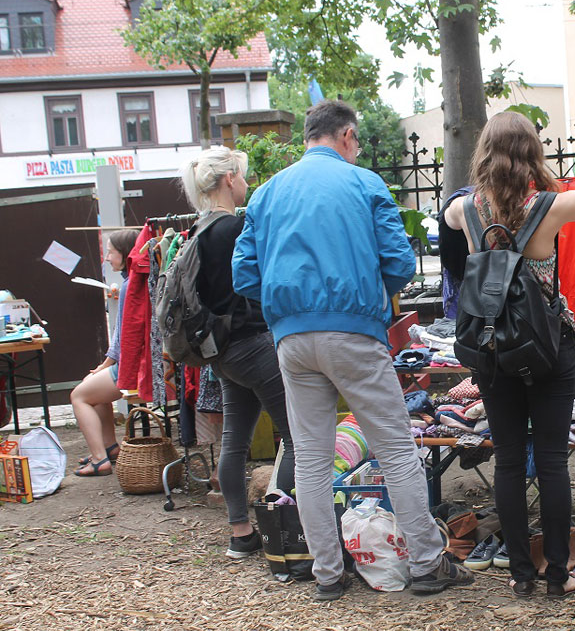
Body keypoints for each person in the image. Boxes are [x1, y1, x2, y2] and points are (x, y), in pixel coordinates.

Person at [232, 99, 473, 601]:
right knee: (395, 449)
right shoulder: (364, 184)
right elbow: (400, 263)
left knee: (313, 458)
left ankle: (326, 573)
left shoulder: (266, 193)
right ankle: (428, 564)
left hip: (292, 339)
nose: (357, 149)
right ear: (345, 136)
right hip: (354, 330)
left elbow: (245, 275)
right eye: (357, 141)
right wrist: (367, 297)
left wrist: (290, 305)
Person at [444, 111, 575, 598]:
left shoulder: (469, 210)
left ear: (485, 153)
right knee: (550, 463)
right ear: (532, 154)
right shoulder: (551, 207)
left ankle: (519, 575)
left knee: (507, 461)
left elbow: (445, 213)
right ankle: (557, 576)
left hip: (492, 351)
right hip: (546, 351)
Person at [179, 147, 297, 560]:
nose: (246, 182)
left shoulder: (200, 229)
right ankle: (288, 528)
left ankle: (240, 533)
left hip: (223, 352)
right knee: (299, 435)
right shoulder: (232, 228)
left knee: (234, 443)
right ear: (229, 178)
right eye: (243, 176)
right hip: (253, 343)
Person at [70, 228, 140, 477]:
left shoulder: (130, 284)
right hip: (139, 363)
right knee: (95, 393)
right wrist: (105, 365)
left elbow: (123, 336)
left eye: (110, 252)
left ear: (125, 253)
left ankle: (100, 460)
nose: (107, 258)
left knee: (79, 395)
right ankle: (110, 448)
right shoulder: (135, 279)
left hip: (134, 367)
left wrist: (106, 364)